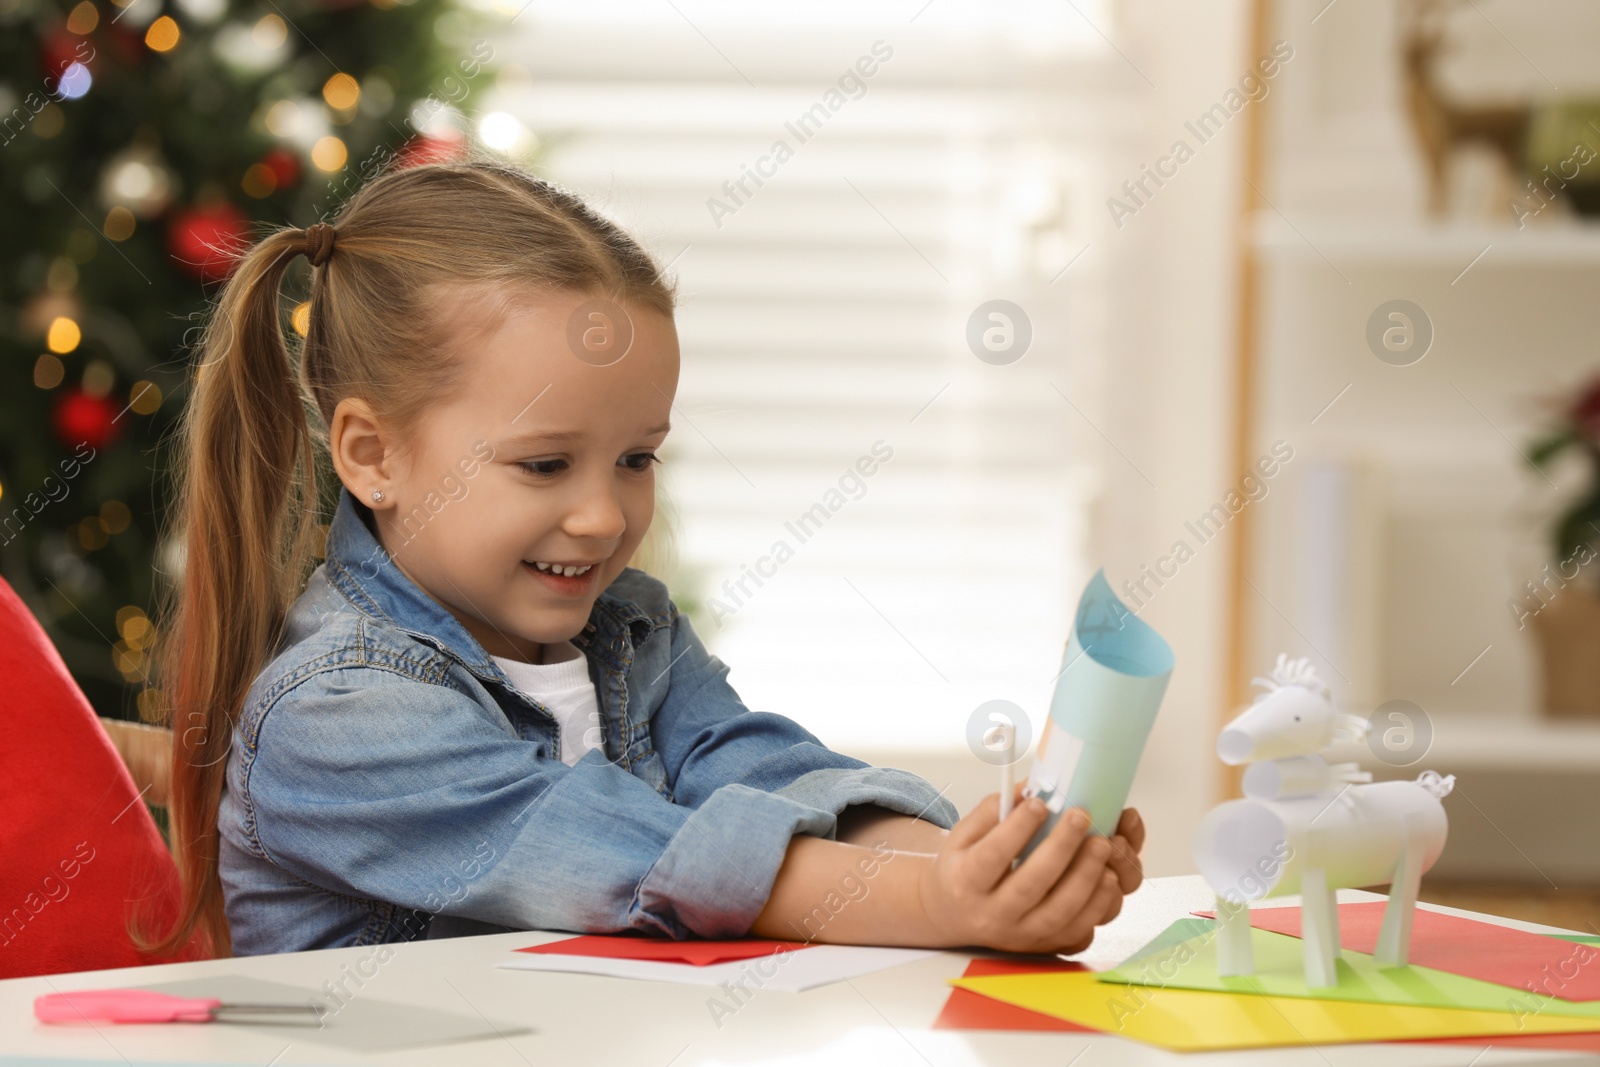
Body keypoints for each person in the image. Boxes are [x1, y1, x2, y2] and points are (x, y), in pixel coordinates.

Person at [149, 157, 1144, 958]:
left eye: (636, 457)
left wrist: (981, 865)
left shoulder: (630, 627)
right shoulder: (337, 712)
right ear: (373, 455)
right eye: (544, 463)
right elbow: (614, 849)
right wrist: (936, 899)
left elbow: (763, 767)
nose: (601, 515)